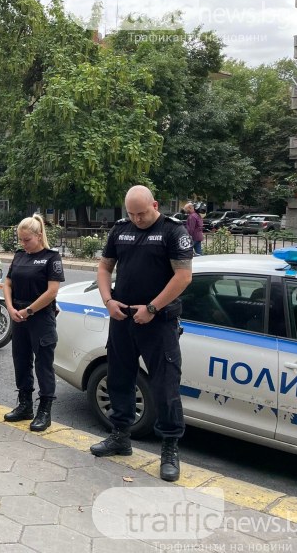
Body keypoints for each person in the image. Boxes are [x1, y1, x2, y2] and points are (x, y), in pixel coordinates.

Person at [91, 185, 193, 482]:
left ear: (155, 204)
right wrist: (107, 300)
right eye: (131, 214)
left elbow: (183, 276)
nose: (137, 219)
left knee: (165, 386)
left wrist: (153, 307)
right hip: (122, 316)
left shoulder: (173, 231)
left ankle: (169, 449)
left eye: (142, 213)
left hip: (158, 322)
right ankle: (120, 437)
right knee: (120, 377)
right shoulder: (120, 230)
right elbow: (103, 267)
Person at [2, 215, 65, 432]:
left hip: (39, 317)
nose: (23, 244)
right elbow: (7, 283)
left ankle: (45, 411)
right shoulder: (19, 256)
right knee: (21, 360)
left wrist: (29, 310)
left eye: (27, 240)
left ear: (39, 236)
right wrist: (10, 308)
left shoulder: (51, 258)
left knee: (43, 365)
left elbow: (52, 291)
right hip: (18, 315)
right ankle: (24, 404)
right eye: (20, 239)